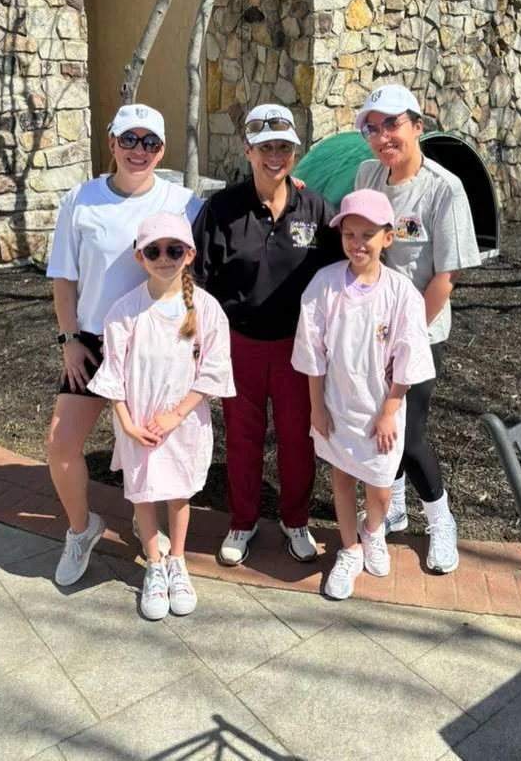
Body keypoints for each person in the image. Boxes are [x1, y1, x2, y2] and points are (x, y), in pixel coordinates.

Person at [46, 103, 202, 587]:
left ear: (161, 150)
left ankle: (149, 528)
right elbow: (64, 279)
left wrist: (292, 188)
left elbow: (230, 228)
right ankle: (82, 528)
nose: (139, 150)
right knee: (60, 444)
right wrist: (70, 339)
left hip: (158, 339)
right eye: (129, 140)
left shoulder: (185, 201)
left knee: (151, 442)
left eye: (150, 142)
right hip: (94, 340)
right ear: (111, 142)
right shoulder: (80, 200)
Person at [192, 104, 340, 567]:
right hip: (240, 344)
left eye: (283, 147)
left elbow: (342, 272)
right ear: (248, 151)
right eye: (265, 147)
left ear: (294, 152)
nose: (274, 156)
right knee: (242, 436)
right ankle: (243, 520)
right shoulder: (221, 208)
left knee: (299, 438)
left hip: (299, 348)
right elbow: (196, 278)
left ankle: (295, 521)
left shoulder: (313, 207)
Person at [354, 84, 481, 574]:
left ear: (416, 127)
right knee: (380, 427)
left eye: (393, 124)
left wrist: (404, 339)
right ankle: (398, 508)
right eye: (373, 127)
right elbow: (355, 236)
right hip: (372, 330)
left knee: (410, 436)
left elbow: (446, 278)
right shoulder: (368, 174)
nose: (383, 136)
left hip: (419, 336)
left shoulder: (443, 189)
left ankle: (441, 520)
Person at [88, 212, 234, 619]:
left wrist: (177, 414)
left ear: (189, 255)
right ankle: (154, 562)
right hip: (138, 422)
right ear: (139, 257)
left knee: (179, 491)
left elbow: (214, 369)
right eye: (153, 250)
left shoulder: (205, 309)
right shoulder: (124, 311)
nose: (163, 258)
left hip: (182, 422)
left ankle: (178, 560)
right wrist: (128, 424)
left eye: (173, 250)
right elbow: (113, 374)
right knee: (144, 491)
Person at [292, 189, 435, 600]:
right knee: (341, 476)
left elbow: (409, 359)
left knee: (380, 485)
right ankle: (350, 548)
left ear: (387, 237)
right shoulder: (324, 285)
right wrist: (317, 408)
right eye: (349, 234)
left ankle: (373, 529)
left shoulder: (400, 293)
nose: (357, 244)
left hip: (380, 410)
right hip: (337, 404)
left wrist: (390, 410)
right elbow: (312, 352)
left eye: (367, 235)